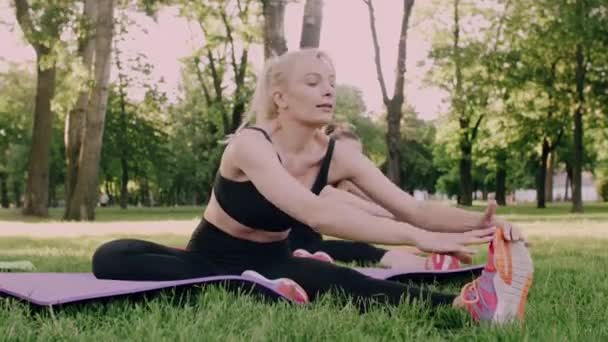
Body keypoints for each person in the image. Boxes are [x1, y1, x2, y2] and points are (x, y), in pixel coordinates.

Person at [92, 49, 533, 324]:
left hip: (276, 259)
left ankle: (474, 306)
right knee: (111, 256)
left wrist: (485, 224)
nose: (328, 91)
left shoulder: (337, 153)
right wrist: (420, 239)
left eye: (331, 84)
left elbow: (411, 207)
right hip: (209, 256)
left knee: (350, 283)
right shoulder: (251, 144)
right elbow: (315, 213)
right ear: (280, 97)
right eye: (313, 83)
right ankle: (248, 286)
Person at [289, 122, 465, 270]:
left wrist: (410, 219)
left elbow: (381, 205)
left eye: (358, 155)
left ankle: (421, 261)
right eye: (347, 154)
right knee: (359, 250)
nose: (353, 161)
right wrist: (401, 220)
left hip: (310, 244)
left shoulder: (347, 184)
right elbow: (373, 211)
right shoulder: (319, 181)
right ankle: (424, 265)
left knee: (358, 248)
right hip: (291, 245)